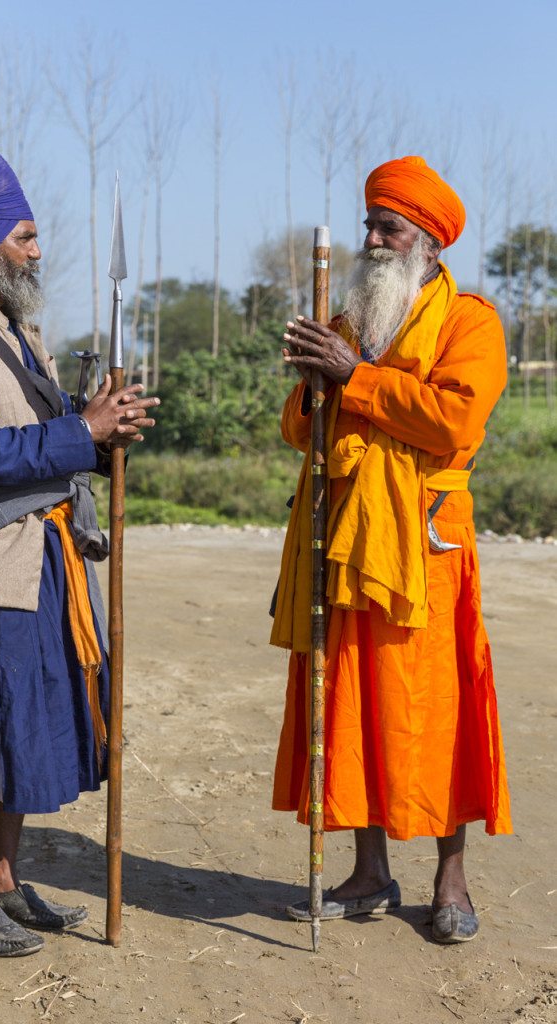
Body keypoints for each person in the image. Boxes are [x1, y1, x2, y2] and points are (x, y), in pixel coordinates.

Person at [0, 146, 159, 957]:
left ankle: (5, 881)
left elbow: (41, 434)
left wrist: (101, 422)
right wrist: (82, 431)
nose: (37, 252)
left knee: (26, 719)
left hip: (43, 552)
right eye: (24, 236)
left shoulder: (15, 329)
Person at [271, 155, 511, 944]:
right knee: (349, 702)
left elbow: (452, 421)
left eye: (389, 228)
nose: (373, 240)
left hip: (427, 547)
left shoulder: (470, 321)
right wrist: (314, 383)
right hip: (344, 537)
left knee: (434, 710)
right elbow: (298, 429)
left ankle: (451, 879)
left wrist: (356, 378)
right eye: (370, 225)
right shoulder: (347, 322)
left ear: (429, 243)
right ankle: (370, 870)